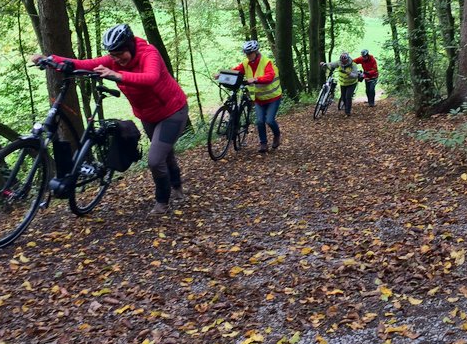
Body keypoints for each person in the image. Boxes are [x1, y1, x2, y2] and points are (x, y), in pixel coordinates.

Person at [31, 23, 188, 215]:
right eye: (112, 55)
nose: (116, 58)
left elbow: (151, 78)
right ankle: (177, 185)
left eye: (120, 53)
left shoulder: (149, 54)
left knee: (155, 160)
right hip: (148, 116)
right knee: (165, 154)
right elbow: (84, 63)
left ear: (130, 46)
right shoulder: (114, 60)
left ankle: (162, 201)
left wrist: (117, 75)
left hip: (172, 112)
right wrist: (49, 59)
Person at [219, 40, 282, 153]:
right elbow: (236, 71)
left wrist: (256, 79)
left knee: (270, 120)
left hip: (273, 97)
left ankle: (277, 136)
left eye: (250, 53)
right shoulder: (246, 63)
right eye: (246, 54)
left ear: (256, 52)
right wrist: (222, 74)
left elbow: (270, 76)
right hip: (258, 99)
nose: (248, 56)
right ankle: (263, 144)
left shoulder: (266, 62)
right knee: (259, 121)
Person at [320, 52, 364, 117]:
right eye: (342, 61)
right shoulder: (339, 62)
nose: (343, 62)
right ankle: (346, 108)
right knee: (343, 97)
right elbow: (331, 64)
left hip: (351, 83)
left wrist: (349, 74)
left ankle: (347, 112)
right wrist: (325, 64)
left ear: (347, 59)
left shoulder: (353, 65)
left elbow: (355, 75)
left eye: (344, 61)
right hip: (343, 83)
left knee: (348, 97)